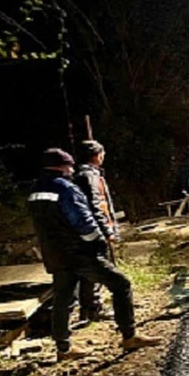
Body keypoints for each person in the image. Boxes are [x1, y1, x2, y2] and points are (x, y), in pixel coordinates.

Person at [28, 148, 161, 362]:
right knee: (121, 284)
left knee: (63, 298)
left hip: (55, 254)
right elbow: (82, 221)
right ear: (60, 166)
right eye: (69, 166)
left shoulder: (35, 190)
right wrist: (98, 242)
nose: (72, 170)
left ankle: (63, 349)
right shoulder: (64, 188)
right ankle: (130, 336)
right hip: (79, 253)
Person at [73, 140, 118, 323]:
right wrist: (107, 231)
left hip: (86, 229)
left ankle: (89, 308)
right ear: (96, 155)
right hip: (94, 231)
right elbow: (95, 205)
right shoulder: (89, 176)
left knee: (90, 272)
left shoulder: (79, 174)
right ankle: (94, 308)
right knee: (99, 270)